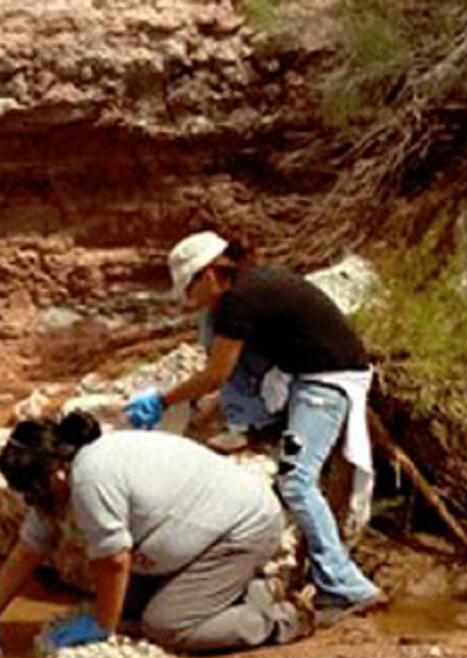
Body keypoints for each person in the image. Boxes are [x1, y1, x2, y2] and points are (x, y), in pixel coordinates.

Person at [124, 231, 384, 626]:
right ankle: (253, 425)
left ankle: (348, 587)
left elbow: (216, 375)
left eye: (188, 288)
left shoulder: (238, 301)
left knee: (295, 480)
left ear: (208, 274)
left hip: (325, 385)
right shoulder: (244, 288)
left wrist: (162, 401)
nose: (188, 299)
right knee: (210, 326)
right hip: (300, 374)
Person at [0, 412, 313, 657]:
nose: (31, 502)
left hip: (242, 530)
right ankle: (254, 592)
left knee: (166, 627)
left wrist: (103, 627)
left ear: (54, 476)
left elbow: (114, 562)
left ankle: (282, 620)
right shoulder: (66, 471)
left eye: (31, 493)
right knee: (128, 609)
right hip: (210, 529)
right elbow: (27, 551)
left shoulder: (90, 480)